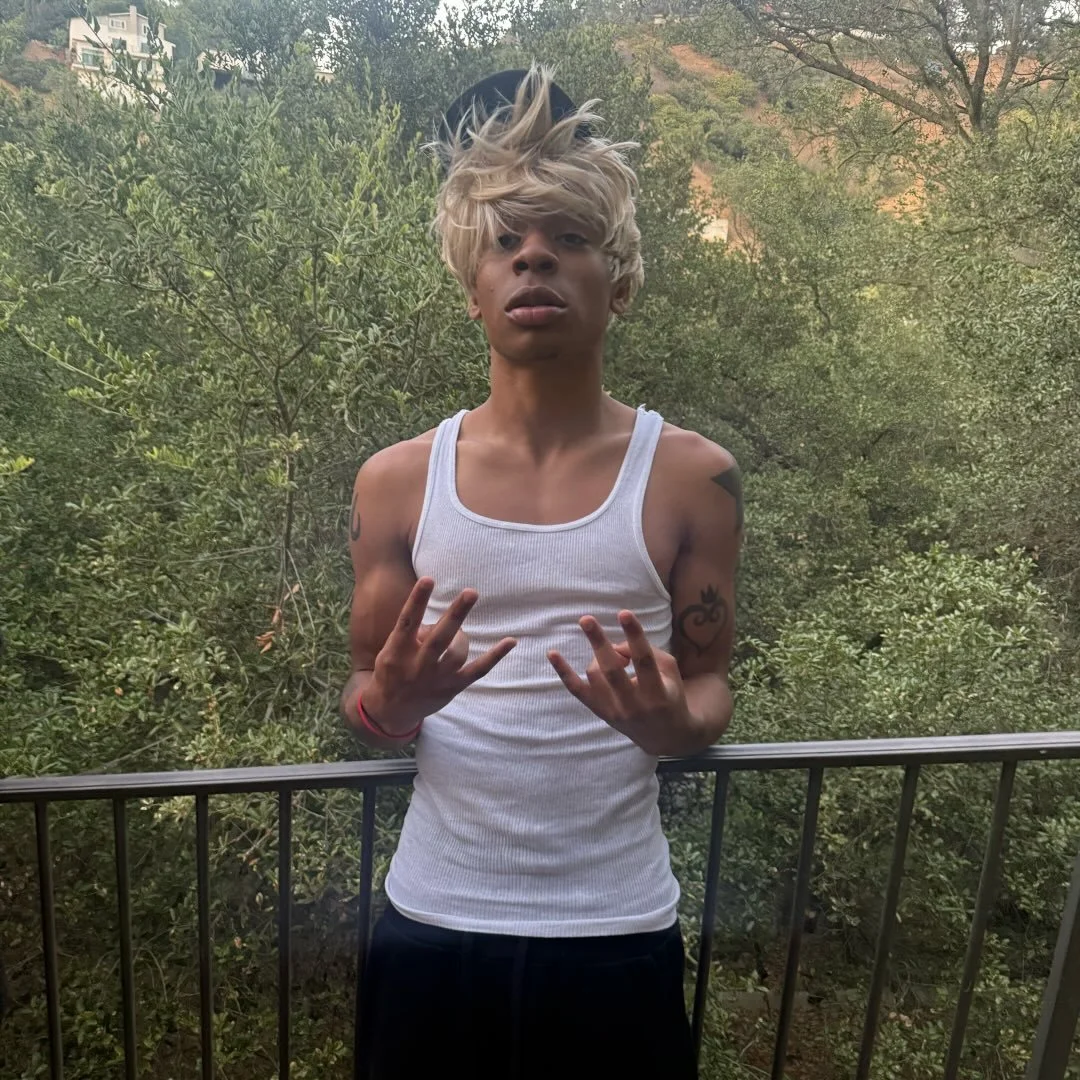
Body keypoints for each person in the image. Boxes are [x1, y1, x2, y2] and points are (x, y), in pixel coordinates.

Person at [341, 64, 742, 1080]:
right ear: (470, 283)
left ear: (618, 278)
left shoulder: (694, 479)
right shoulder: (395, 483)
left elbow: (709, 682)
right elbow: (367, 704)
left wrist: (677, 727)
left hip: (617, 931)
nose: (534, 260)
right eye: (505, 242)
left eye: (569, 240)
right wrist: (394, 700)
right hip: (432, 921)